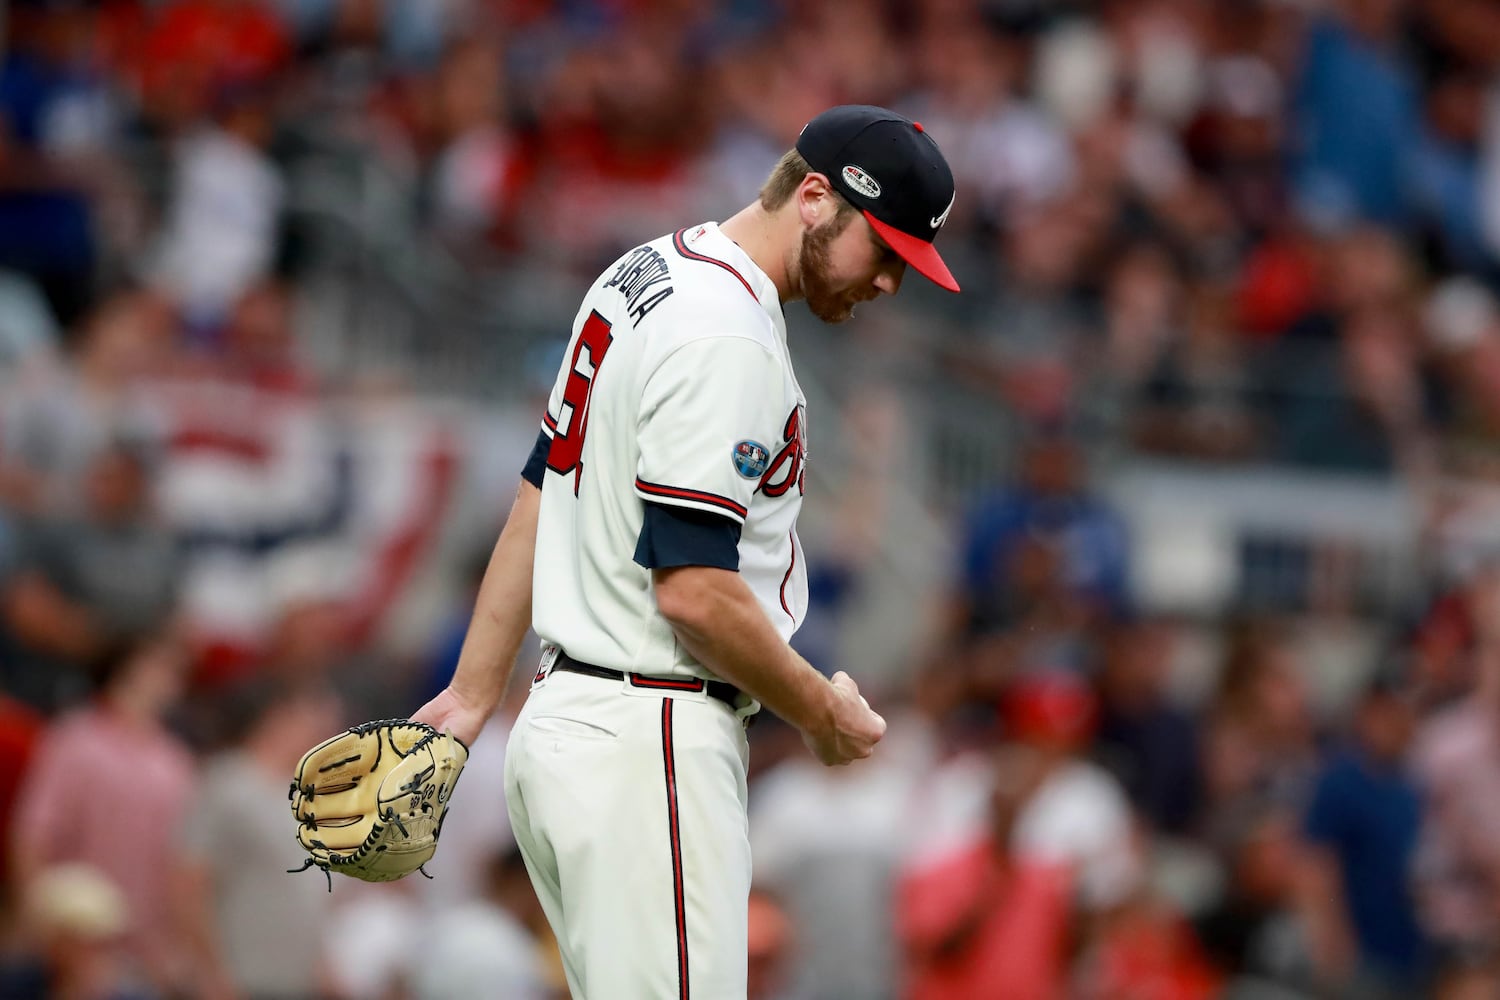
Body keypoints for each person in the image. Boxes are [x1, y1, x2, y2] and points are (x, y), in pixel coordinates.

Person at [412, 104, 959, 997]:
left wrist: (476, 695)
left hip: (570, 728)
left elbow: (541, 491)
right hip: (648, 734)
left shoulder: (645, 270)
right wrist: (820, 712)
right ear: (814, 197)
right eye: (888, 252)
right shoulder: (727, 337)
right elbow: (695, 593)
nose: (891, 284)